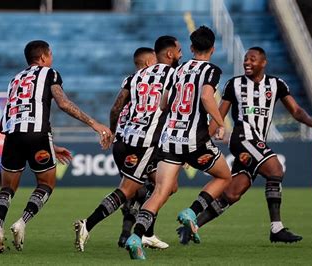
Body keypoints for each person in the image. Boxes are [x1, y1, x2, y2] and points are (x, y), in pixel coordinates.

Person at [178, 46, 312, 244]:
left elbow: (296, 111)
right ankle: (276, 228)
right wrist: (199, 144)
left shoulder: (276, 84)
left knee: (232, 193)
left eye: (252, 59)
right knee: (275, 170)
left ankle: (189, 228)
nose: (247, 62)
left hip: (257, 142)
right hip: (242, 137)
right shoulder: (234, 84)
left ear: (263, 63)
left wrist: (311, 122)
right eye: (246, 59)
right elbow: (218, 115)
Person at [0, 40, 112, 253]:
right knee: (46, 183)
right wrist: (94, 124)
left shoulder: (15, 79)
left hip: (12, 136)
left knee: (7, 187)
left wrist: (52, 146)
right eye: (51, 54)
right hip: (38, 135)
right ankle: (22, 223)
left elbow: (21, 113)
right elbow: (63, 103)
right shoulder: (50, 73)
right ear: (44, 57)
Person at [125, 26, 232, 260]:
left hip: (169, 138)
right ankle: (191, 212)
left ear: (192, 48)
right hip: (195, 139)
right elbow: (205, 96)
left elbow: (163, 103)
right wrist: (220, 122)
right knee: (224, 176)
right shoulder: (212, 70)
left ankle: (136, 236)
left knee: (160, 192)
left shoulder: (179, 69)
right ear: (213, 49)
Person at [74, 36, 182, 252]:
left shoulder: (134, 77)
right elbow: (175, 105)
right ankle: (88, 224)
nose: (181, 55)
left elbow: (116, 107)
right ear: (168, 55)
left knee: (167, 186)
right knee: (127, 189)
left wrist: (112, 131)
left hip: (129, 138)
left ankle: (148, 233)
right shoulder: (175, 74)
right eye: (179, 51)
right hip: (146, 142)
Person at [115, 47, 169, 249]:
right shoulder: (155, 86)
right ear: (148, 62)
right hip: (141, 140)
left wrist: (111, 132)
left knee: (135, 189)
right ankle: (143, 234)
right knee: (156, 187)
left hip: (121, 141)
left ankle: (127, 234)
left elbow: (116, 108)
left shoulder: (131, 83)